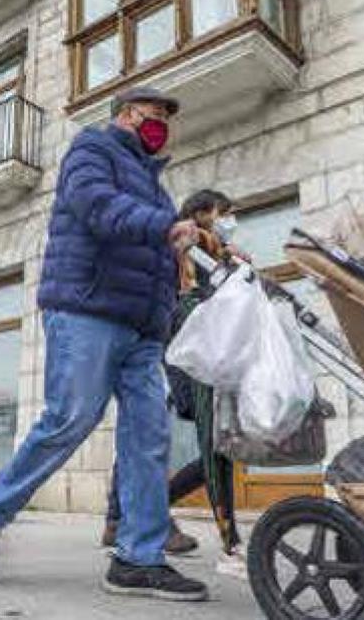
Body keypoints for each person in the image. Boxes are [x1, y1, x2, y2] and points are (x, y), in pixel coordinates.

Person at [0, 86, 209, 602]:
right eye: (155, 115)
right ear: (126, 115)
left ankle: (138, 558)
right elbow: (99, 209)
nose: (162, 124)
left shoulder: (156, 186)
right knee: (71, 417)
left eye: (168, 117)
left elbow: (157, 252)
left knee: (149, 436)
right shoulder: (90, 150)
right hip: (86, 308)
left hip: (142, 328)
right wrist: (167, 227)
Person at [102, 189, 251, 577]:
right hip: (176, 350)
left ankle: (136, 514)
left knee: (205, 443)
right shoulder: (181, 246)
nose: (229, 220)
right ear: (201, 214)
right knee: (151, 434)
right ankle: (137, 517)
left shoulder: (217, 250)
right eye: (224, 213)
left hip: (200, 351)